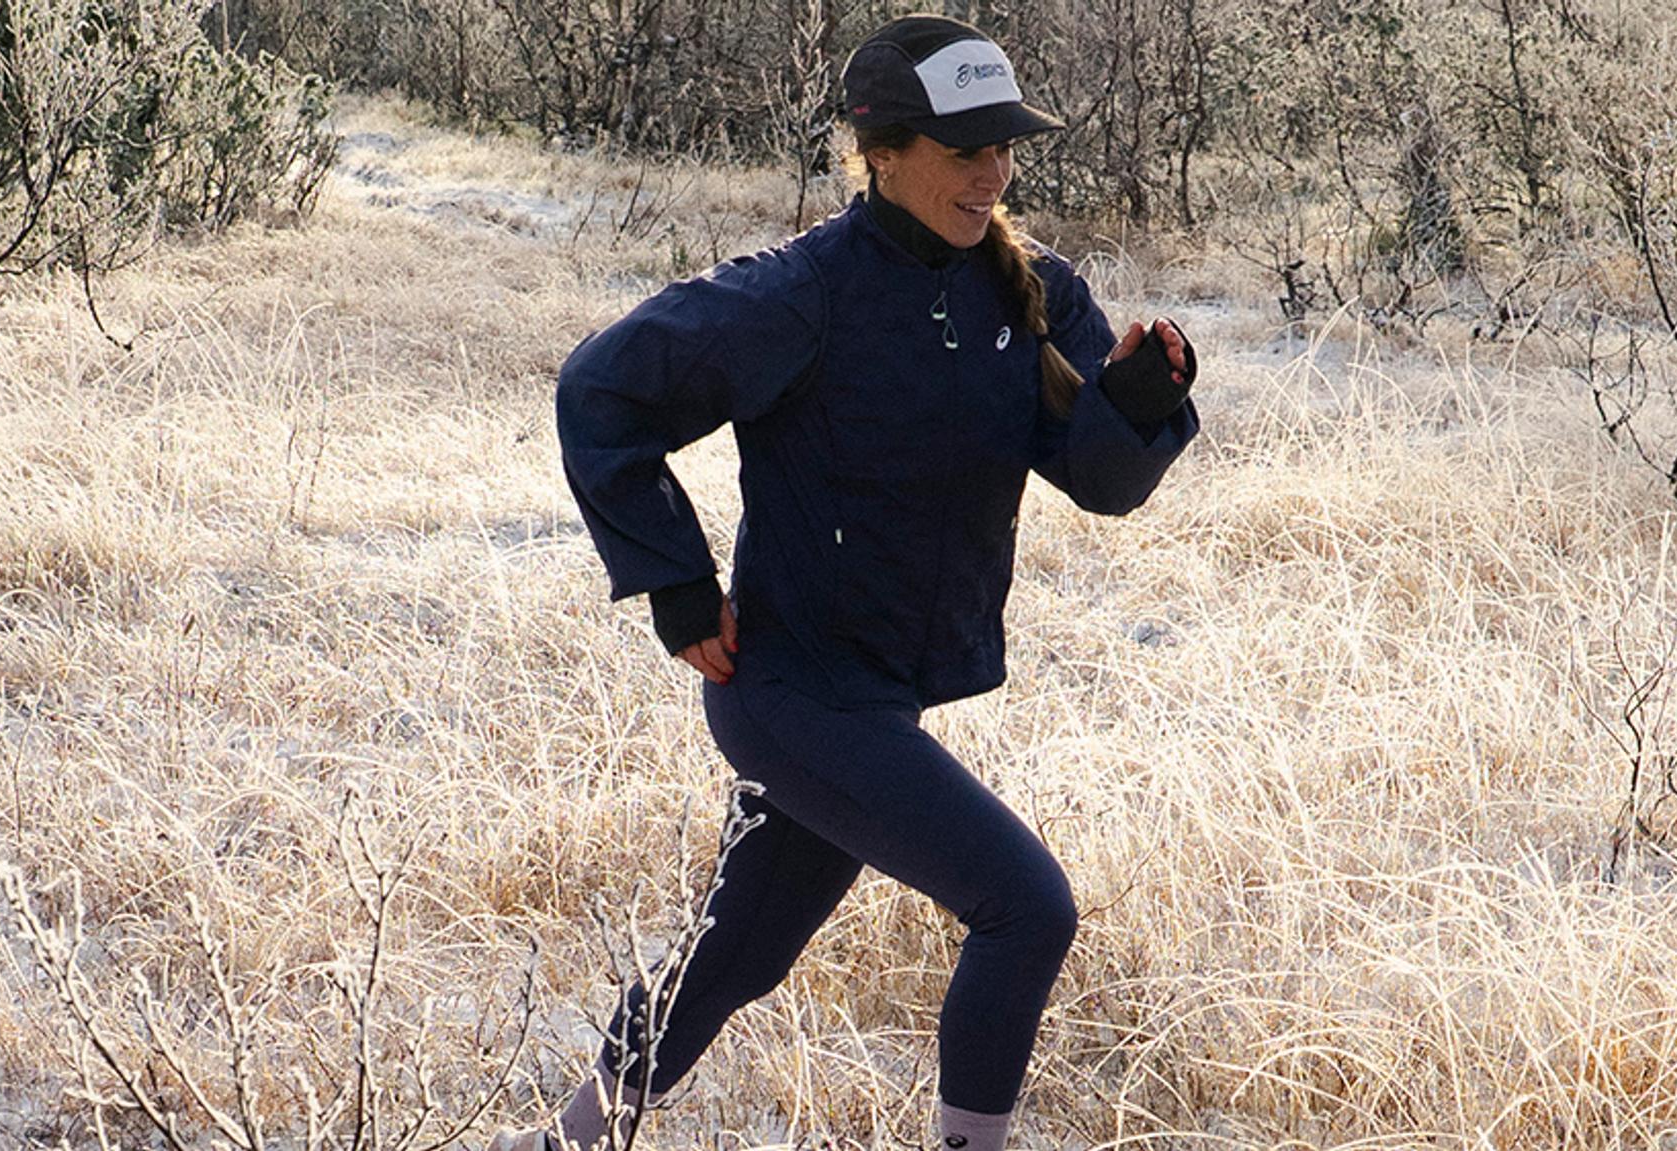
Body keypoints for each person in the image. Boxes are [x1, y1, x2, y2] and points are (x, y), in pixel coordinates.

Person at [506, 14, 1198, 1151]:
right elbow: (601, 389)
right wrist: (676, 585)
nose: (992, 174)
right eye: (961, 150)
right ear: (879, 151)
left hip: (879, 693)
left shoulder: (1029, 295)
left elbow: (1099, 483)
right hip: (787, 690)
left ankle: (561, 1141)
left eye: (1003, 148)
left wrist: (1139, 404)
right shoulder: (799, 293)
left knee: (738, 949)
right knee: (1025, 906)